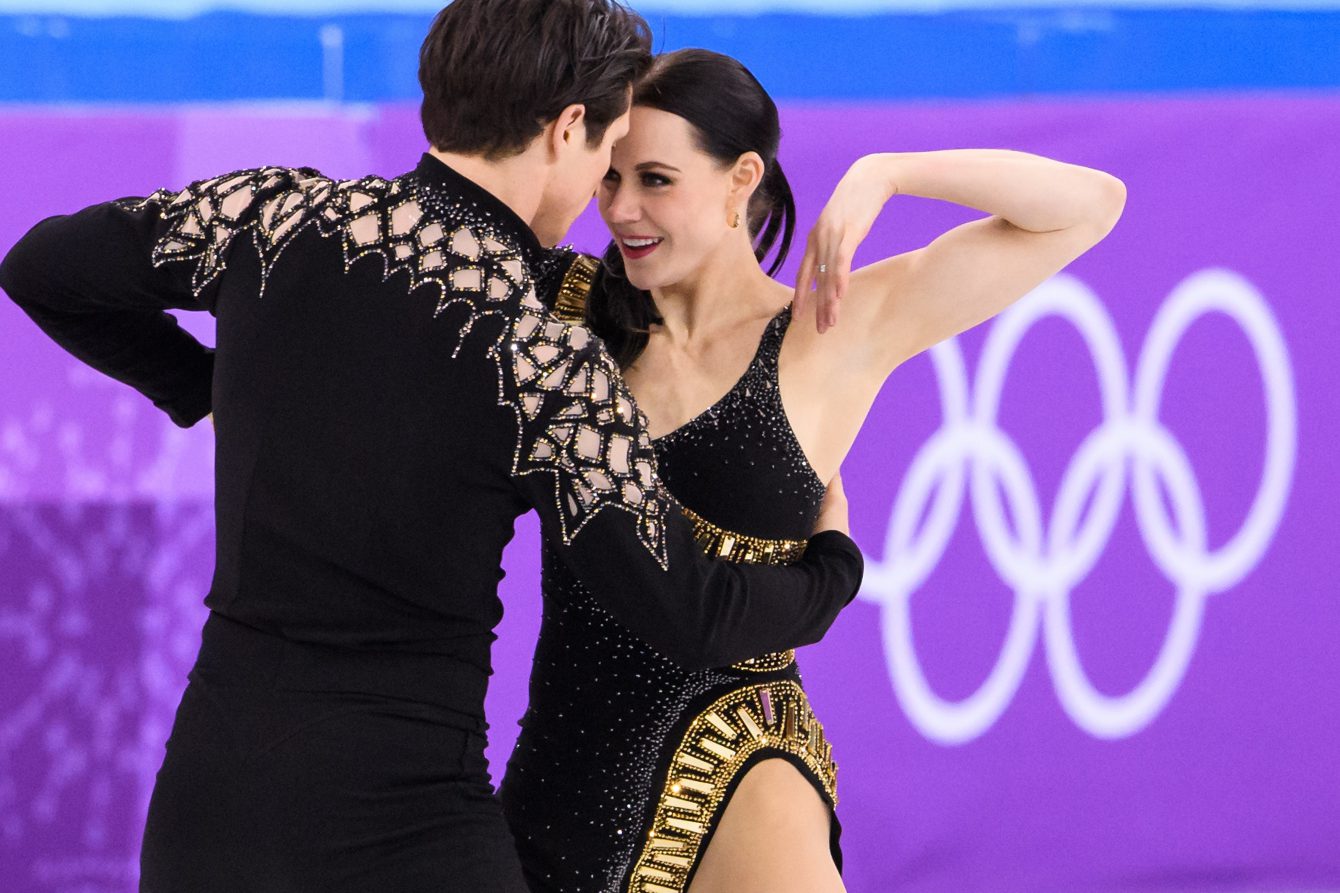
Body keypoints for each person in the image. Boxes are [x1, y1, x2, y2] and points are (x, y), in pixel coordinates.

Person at [0, 8, 866, 890]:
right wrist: (831, 567)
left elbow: (40, 269)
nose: (608, 187)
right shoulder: (540, 354)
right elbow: (693, 610)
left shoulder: (273, 217)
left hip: (210, 815)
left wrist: (203, 388)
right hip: (408, 833)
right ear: (569, 129)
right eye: (607, 149)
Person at [500, 48, 1126, 893]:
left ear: (740, 179)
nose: (621, 209)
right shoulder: (566, 315)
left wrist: (890, 171)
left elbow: (1090, 206)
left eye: (655, 179)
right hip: (562, 768)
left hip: (737, 758)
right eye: (610, 179)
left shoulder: (828, 332)